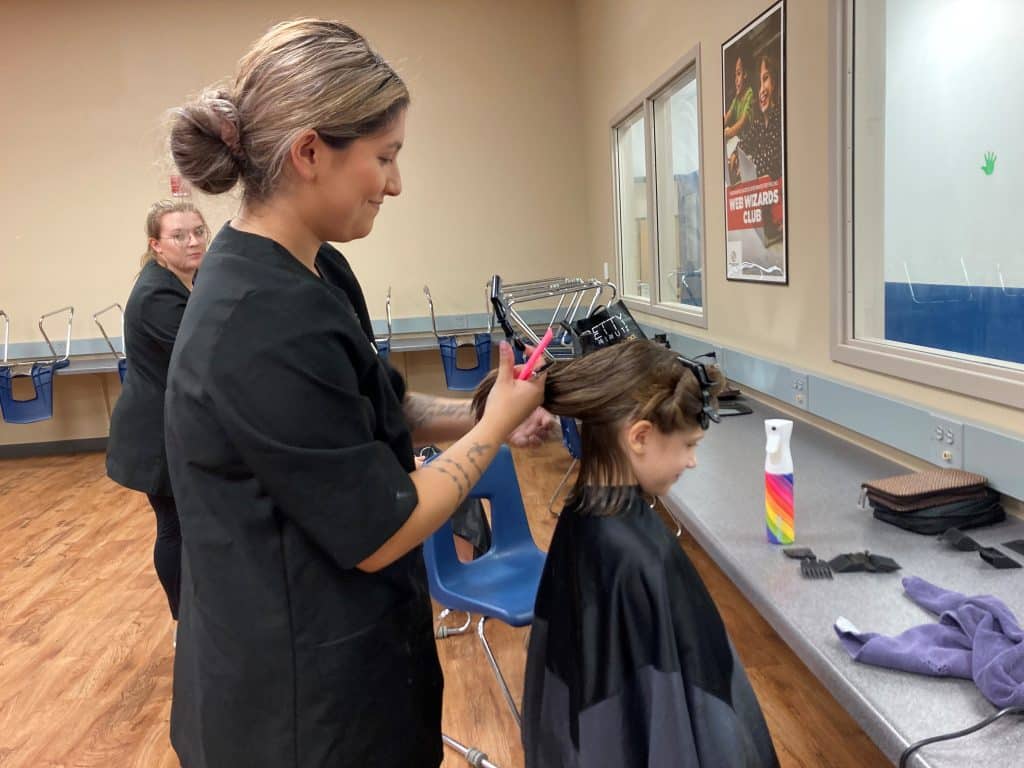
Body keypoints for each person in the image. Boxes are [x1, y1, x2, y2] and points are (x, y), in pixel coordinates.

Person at [163, 18, 548, 768]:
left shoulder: (315, 270)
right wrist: (492, 429)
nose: (396, 183)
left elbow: (378, 411)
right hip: (298, 711)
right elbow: (382, 530)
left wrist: (480, 410)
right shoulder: (259, 320)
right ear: (310, 152)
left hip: (354, 665)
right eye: (384, 157)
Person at [473, 340, 780, 767]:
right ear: (640, 436)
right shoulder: (640, 561)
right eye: (689, 445)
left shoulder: (581, 520)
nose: (692, 462)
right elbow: (692, 728)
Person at [106, 199, 208, 627]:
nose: (192, 241)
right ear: (156, 244)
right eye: (179, 235)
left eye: (199, 231)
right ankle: (184, 625)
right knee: (175, 528)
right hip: (155, 436)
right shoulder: (156, 294)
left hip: (175, 426)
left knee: (190, 526)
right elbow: (206, 355)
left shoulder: (190, 280)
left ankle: (200, 620)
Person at [723, 54, 754, 140]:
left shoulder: (750, 94)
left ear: (745, 74)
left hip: (748, 142)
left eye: (739, 74)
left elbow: (742, 122)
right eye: (735, 75)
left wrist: (726, 133)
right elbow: (728, 116)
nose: (736, 79)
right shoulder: (737, 97)